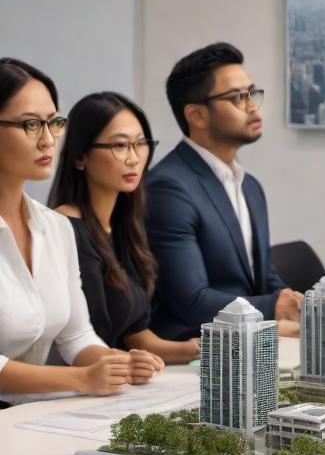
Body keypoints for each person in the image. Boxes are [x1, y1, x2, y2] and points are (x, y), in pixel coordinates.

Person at [0, 59, 161, 406]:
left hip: (28, 416)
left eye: (54, 123)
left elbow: (76, 335)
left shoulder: (56, 228)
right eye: (30, 124)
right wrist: (82, 377)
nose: (48, 140)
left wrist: (115, 362)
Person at [146, 43, 303, 340]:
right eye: (236, 98)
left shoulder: (250, 185)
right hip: (197, 357)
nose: (253, 106)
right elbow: (190, 301)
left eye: (252, 93)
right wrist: (273, 308)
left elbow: (262, 273)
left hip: (254, 344)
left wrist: (289, 299)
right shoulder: (169, 187)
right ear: (197, 115)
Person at [50, 92, 199, 363]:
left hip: (115, 377)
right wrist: (125, 364)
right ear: (80, 157)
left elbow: (138, 337)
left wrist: (205, 347)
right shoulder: (66, 226)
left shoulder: (122, 225)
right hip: (80, 381)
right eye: (120, 146)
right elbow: (74, 341)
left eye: (141, 144)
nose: (134, 158)